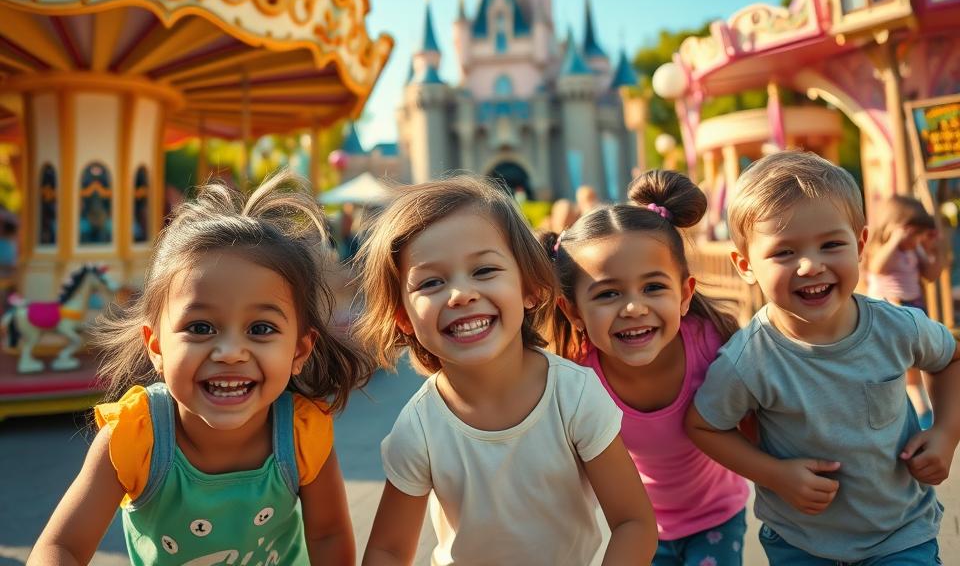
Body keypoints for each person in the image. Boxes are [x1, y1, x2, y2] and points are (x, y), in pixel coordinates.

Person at [30, 171, 373, 565]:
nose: (229, 352)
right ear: (156, 346)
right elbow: (61, 547)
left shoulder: (301, 435)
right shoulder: (134, 439)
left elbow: (329, 537)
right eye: (200, 327)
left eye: (260, 329)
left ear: (299, 350)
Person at [354, 174, 657, 565]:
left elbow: (634, 522)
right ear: (404, 318)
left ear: (530, 288)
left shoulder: (574, 396)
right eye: (431, 282)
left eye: (484, 271)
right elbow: (388, 550)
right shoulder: (419, 428)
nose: (461, 294)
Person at [686, 151, 960, 564]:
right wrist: (775, 475)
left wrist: (945, 434)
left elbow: (949, 359)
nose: (811, 265)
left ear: (861, 244)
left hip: (901, 534)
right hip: (800, 543)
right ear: (745, 265)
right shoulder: (749, 359)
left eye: (831, 244)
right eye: (784, 253)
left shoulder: (898, 327)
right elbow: (703, 426)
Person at [544, 169, 749, 565]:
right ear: (573, 311)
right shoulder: (575, 375)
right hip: (637, 526)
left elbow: (773, 416)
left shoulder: (715, 345)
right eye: (608, 293)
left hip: (717, 516)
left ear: (685, 294)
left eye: (654, 287)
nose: (634, 308)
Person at [866, 194, 944, 428]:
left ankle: (923, 405)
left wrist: (935, 251)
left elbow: (930, 274)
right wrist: (894, 240)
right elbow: (876, 267)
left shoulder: (913, 250)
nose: (918, 239)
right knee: (904, 362)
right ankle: (919, 408)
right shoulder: (884, 250)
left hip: (913, 307)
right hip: (890, 307)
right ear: (897, 227)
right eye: (915, 233)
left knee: (921, 358)